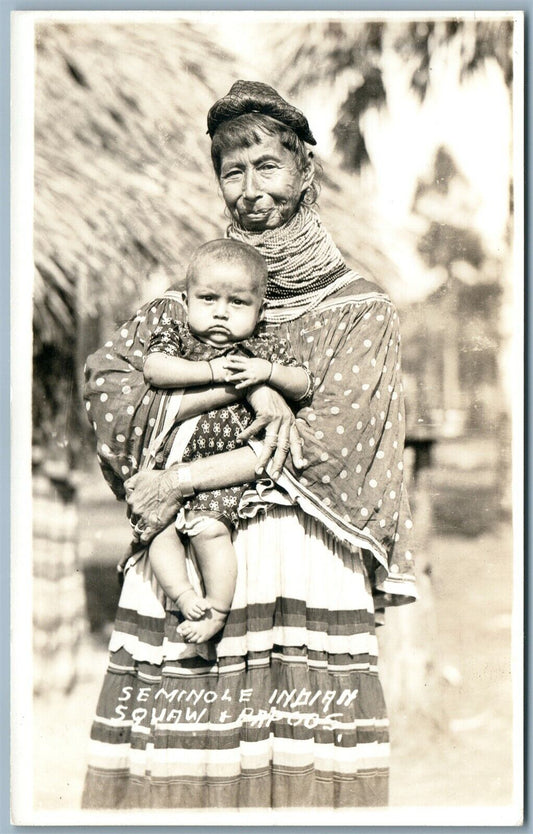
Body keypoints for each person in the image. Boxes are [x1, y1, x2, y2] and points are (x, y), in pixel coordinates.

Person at [82, 80, 417, 810]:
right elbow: (109, 384)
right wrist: (242, 386)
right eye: (231, 171)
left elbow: (329, 443)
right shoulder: (191, 296)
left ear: (305, 172)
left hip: (299, 562)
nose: (249, 189)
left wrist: (178, 479)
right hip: (197, 564)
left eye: (266, 166)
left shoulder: (358, 310)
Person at [141, 238, 312, 643]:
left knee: (209, 531)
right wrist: (216, 372)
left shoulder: (259, 346)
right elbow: (155, 369)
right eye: (207, 299)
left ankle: (216, 609)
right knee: (156, 531)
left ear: (260, 311)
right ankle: (184, 597)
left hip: (223, 471)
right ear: (186, 299)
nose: (220, 312)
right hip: (167, 462)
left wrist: (267, 371)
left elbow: (303, 381)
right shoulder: (179, 336)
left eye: (237, 303)